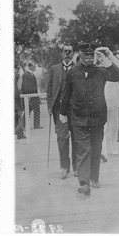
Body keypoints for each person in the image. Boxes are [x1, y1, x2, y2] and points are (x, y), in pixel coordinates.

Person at [60, 43, 119, 196]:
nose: (88, 58)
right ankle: (84, 183)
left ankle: (94, 177)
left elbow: (118, 76)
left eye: (91, 55)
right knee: (83, 150)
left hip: (97, 118)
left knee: (96, 149)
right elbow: (66, 95)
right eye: (85, 54)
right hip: (78, 119)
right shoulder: (72, 73)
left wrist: (107, 59)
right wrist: (62, 114)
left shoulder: (101, 72)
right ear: (79, 54)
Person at [47, 43, 78, 179]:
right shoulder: (54, 69)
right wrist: (49, 105)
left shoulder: (79, 68)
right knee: (62, 138)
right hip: (60, 110)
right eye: (65, 51)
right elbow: (49, 89)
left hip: (76, 110)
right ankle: (65, 167)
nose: (67, 54)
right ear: (61, 53)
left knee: (77, 138)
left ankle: (77, 167)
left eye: (70, 51)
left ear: (73, 53)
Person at [21, 62, 42, 129]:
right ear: (30, 67)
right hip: (30, 96)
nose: (35, 68)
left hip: (35, 96)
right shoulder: (26, 75)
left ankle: (36, 125)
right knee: (27, 111)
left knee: (37, 110)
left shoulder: (33, 74)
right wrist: (27, 96)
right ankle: (22, 126)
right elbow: (24, 86)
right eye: (33, 66)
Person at [15, 64, 25, 140]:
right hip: (15, 103)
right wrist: (19, 107)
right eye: (17, 70)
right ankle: (19, 134)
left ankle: (19, 134)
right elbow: (16, 93)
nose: (18, 72)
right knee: (19, 119)